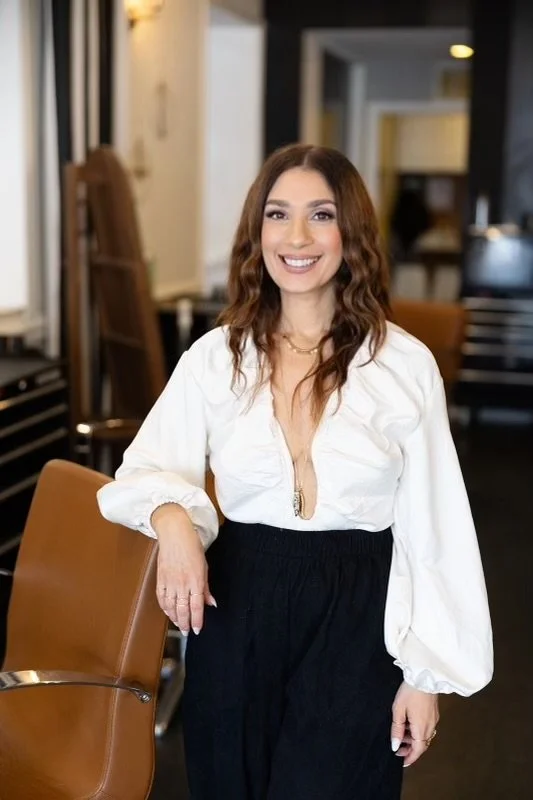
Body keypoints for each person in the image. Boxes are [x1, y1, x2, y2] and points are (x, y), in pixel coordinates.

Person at [97, 144, 493, 799]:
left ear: (351, 233)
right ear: (258, 232)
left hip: (358, 612)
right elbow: (142, 470)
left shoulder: (403, 365)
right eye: (278, 214)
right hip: (239, 602)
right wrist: (173, 522)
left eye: (321, 215)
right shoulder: (215, 358)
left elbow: (435, 527)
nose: (297, 236)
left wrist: (423, 677)